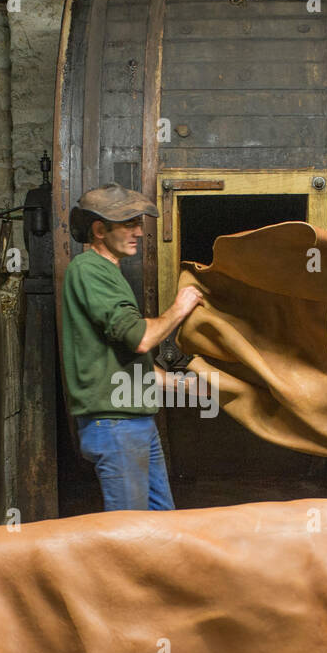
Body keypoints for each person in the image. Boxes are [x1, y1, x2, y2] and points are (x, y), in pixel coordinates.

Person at [62, 183, 203, 511]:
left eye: (138, 223)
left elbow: (126, 362)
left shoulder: (107, 273)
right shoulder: (89, 271)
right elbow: (140, 338)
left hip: (133, 423)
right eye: (129, 224)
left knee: (159, 522)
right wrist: (180, 308)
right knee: (132, 534)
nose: (139, 232)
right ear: (99, 230)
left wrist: (189, 385)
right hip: (116, 426)